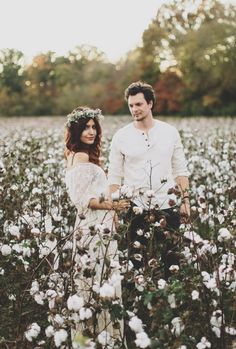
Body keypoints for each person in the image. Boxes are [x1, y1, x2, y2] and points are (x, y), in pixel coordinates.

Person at [108, 81, 190, 278]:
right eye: (131, 105)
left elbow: (180, 170)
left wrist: (185, 201)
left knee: (171, 259)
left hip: (167, 204)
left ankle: (171, 301)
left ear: (150, 103)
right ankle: (139, 303)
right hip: (135, 206)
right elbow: (114, 175)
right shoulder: (121, 136)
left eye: (139, 104)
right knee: (136, 261)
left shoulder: (170, 132)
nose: (134, 109)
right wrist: (113, 208)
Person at [64, 106, 129, 348]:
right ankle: (102, 337)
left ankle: (90, 338)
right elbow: (83, 201)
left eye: (94, 127)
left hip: (95, 226)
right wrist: (114, 205)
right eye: (86, 127)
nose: (91, 131)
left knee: (92, 281)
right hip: (92, 227)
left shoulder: (76, 155)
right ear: (76, 130)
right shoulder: (80, 157)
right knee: (96, 280)